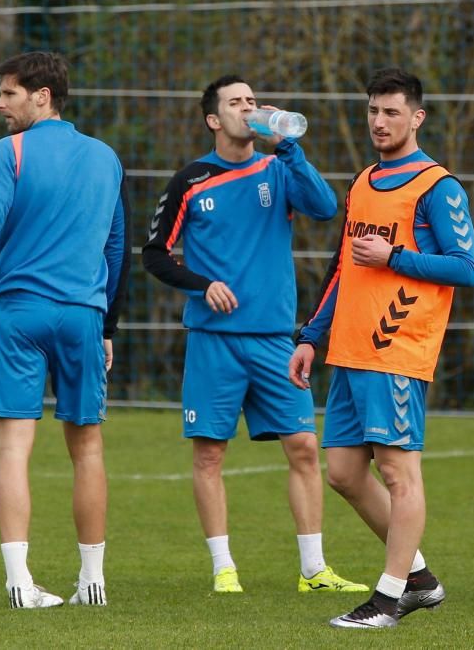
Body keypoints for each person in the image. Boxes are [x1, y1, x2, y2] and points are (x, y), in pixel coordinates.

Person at [141, 75, 365, 596]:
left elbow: (326, 207)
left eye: (251, 100)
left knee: (305, 447)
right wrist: (202, 285)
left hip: (273, 341)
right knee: (209, 455)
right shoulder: (190, 180)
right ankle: (224, 568)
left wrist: (288, 144)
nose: (248, 108)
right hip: (213, 340)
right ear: (214, 120)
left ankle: (314, 570)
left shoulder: (278, 168)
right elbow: (154, 254)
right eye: (235, 103)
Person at [0, 51, 129, 609]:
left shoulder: (10, 151)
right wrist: (104, 322)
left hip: (19, 312)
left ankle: (19, 582)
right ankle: (92, 582)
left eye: (9, 93)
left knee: (15, 445)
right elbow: (116, 247)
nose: (0, 104)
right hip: (82, 313)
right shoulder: (106, 157)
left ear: (42, 95)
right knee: (87, 447)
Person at [288, 67, 474, 629]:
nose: (379, 121)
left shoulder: (438, 187)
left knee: (398, 472)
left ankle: (389, 598)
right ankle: (419, 578)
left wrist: (395, 259)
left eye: (392, 111)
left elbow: (466, 268)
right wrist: (310, 337)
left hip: (397, 350)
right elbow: (342, 269)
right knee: (344, 473)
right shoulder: (362, 181)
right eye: (373, 110)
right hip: (346, 350)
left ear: (416, 117)